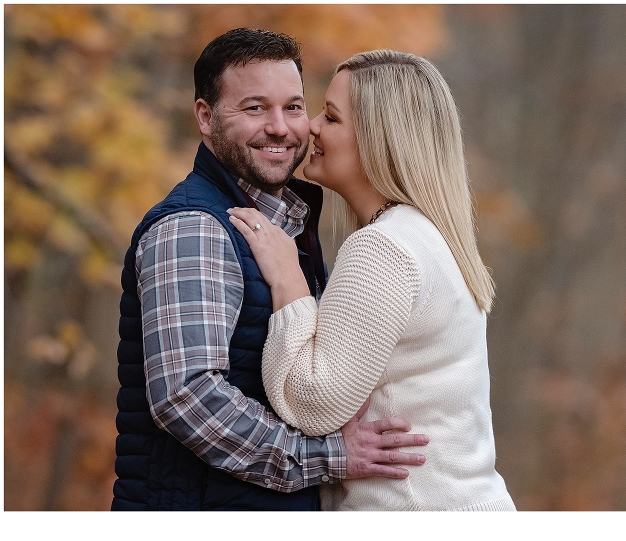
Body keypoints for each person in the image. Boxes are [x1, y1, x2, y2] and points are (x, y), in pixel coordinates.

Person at [112, 30, 428, 512]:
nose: (280, 127)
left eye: (294, 107)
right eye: (255, 108)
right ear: (205, 116)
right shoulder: (193, 228)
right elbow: (187, 396)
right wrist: (326, 456)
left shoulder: (292, 226)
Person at [227, 50, 516, 511]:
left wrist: (289, 280)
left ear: (379, 141)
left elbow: (312, 402)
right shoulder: (428, 236)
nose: (313, 127)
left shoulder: (384, 248)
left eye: (332, 117)